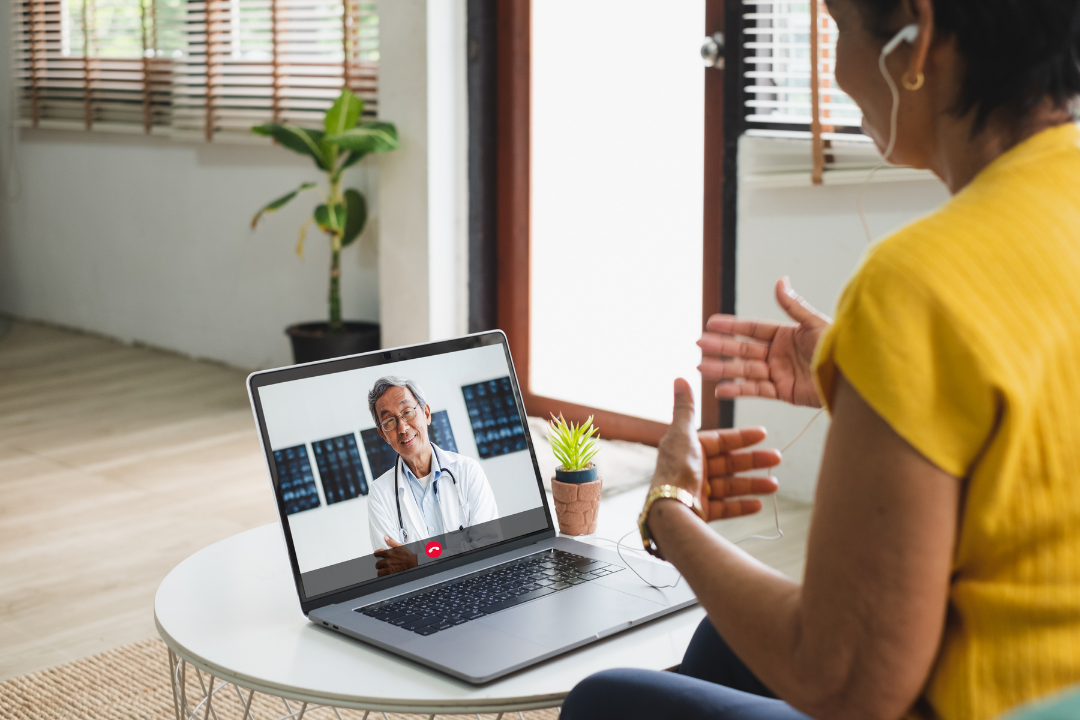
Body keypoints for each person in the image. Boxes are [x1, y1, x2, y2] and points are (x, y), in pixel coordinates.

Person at [562, 0, 1080, 718]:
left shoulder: (920, 281)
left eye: (837, 26)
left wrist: (668, 511)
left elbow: (843, 679)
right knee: (719, 645)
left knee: (606, 701)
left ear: (916, 35)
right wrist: (875, 374)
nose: (834, 70)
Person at [366, 376, 499, 576]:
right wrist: (459, 552)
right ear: (384, 435)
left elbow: (489, 549)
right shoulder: (380, 494)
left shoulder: (468, 471)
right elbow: (393, 572)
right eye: (389, 422)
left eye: (407, 412)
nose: (402, 428)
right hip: (422, 601)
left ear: (426, 413)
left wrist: (417, 560)